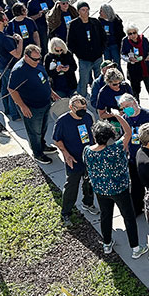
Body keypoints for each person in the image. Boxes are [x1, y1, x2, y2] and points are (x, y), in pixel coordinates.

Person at [82, 114, 148, 259]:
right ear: (111, 136)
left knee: (106, 216)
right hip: (120, 190)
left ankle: (106, 244)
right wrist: (117, 115)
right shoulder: (116, 148)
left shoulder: (87, 151)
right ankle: (136, 248)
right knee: (129, 217)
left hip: (100, 190)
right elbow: (128, 132)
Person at [8, 45, 60, 163]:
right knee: (34, 132)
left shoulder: (36, 64)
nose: (38, 61)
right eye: (35, 59)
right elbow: (12, 89)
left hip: (45, 103)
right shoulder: (19, 70)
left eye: (39, 58)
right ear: (26, 57)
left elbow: (44, 80)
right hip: (32, 107)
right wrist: (22, 106)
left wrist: (51, 93)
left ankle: (42, 146)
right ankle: (37, 153)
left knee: (43, 128)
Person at [53, 95, 98, 223]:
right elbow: (57, 140)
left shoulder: (88, 117)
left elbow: (92, 134)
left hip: (88, 157)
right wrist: (66, 155)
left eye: (84, 107)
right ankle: (66, 212)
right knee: (72, 186)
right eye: (79, 108)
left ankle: (88, 203)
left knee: (89, 183)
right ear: (71, 107)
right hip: (73, 159)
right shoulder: (63, 121)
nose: (82, 110)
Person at [118, 93, 149, 217]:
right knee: (136, 185)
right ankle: (137, 209)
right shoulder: (126, 118)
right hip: (134, 158)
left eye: (127, 106)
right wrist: (126, 150)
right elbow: (125, 136)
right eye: (123, 108)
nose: (125, 109)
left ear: (134, 102)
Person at [67, 1, 106, 96]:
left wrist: (101, 50)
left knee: (100, 79)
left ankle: (100, 98)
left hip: (97, 57)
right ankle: (82, 100)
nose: (86, 12)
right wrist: (78, 53)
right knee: (83, 81)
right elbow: (71, 42)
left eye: (87, 10)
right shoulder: (74, 24)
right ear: (78, 11)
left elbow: (103, 37)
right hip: (84, 58)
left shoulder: (95, 22)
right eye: (83, 10)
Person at [0, 11, 23, 119]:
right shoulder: (4, 38)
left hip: (1, 65)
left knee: (5, 88)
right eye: (5, 19)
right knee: (13, 91)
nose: (7, 21)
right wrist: (20, 41)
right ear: (0, 22)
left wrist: (0, 53)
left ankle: (7, 110)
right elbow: (17, 55)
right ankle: (14, 114)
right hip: (9, 67)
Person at [121, 24, 149, 109]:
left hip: (145, 68)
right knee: (135, 91)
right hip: (134, 70)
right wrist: (129, 59)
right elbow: (123, 55)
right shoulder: (125, 41)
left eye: (134, 33)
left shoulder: (143, 40)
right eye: (130, 34)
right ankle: (137, 107)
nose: (132, 35)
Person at [100, 4, 125, 68]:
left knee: (117, 65)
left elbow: (120, 34)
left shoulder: (116, 21)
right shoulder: (100, 21)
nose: (100, 13)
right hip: (106, 47)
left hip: (114, 46)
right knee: (107, 65)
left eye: (101, 11)